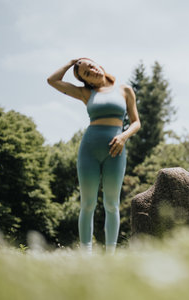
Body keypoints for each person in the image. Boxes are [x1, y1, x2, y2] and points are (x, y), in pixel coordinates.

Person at [47, 58, 141, 254]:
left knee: (111, 204)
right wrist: (72, 63)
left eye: (91, 65)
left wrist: (123, 136)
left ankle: (110, 256)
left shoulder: (124, 90)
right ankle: (86, 255)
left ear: (99, 64)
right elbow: (52, 80)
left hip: (115, 151)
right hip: (89, 150)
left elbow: (136, 122)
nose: (91, 70)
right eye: (86, 73)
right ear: (86, 81)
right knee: (87, 204)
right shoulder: (85, 93)